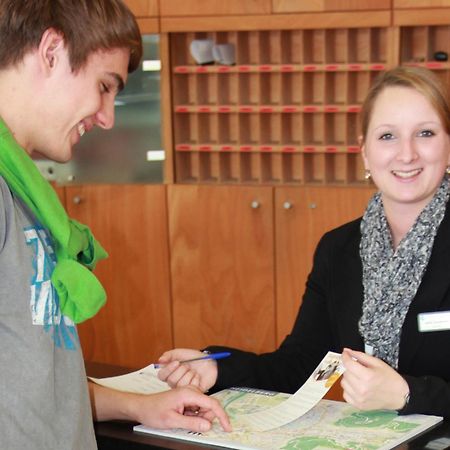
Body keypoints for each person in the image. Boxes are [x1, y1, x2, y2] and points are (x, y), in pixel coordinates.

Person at [157, 65, 450, 419]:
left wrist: (407, 393)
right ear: (365, 152)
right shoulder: (338, 249)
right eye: (387, 136)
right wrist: (217, 368)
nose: (406, 154)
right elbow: (300, 366)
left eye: (425, 133)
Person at [0, 1, 230, 449]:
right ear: (51, 51)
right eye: (104, 87)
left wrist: (138, 406)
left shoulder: (27, 194)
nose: (107, 117)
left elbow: (34, 382)